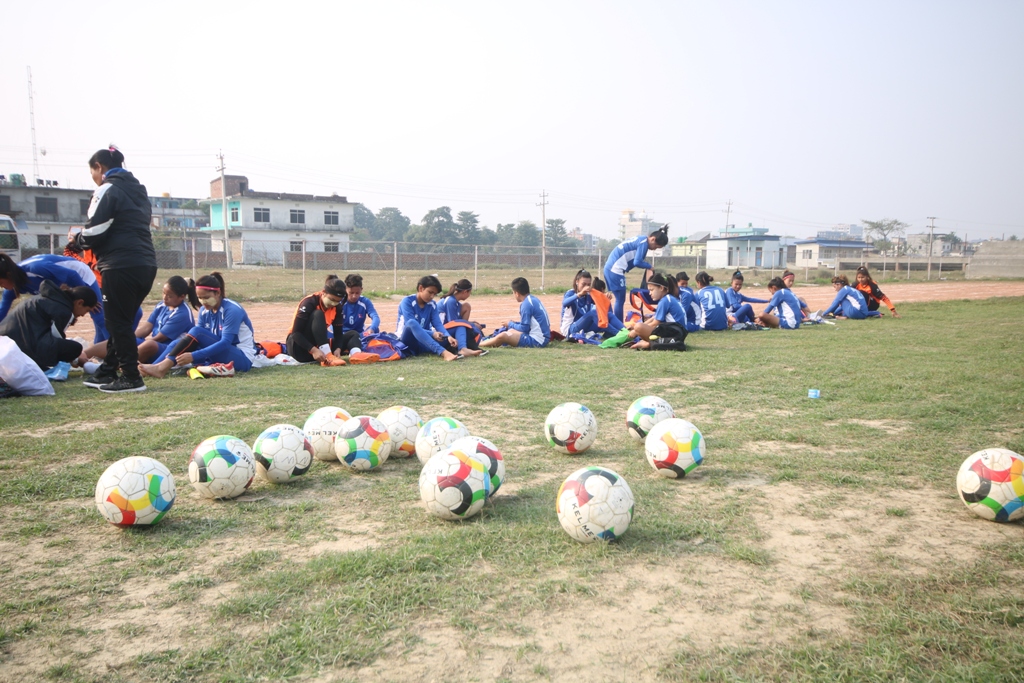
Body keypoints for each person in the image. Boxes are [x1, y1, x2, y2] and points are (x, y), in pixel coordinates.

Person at [71, 146, 158, 393]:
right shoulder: (138, 191)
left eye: (93, 173)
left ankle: (131, 377)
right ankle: (108, 370)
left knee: (117, 323)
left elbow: (95, 230)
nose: (95, 179)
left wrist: (76, 240)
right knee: (122, 321)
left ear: (99, 167)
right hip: (145, 264)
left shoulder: (107, 189)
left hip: (120, 265)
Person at [140, 272, 257, 377]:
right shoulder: (204, 310)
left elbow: (225, 343)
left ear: (218, 293)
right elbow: (196, 339)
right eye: (200, 298)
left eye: (206, 297)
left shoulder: (231, 310)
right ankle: (156, 367)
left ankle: (161, 368)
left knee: (197, 331)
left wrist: (193, 356)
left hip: (242, 357)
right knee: (179, 342)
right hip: (222, 352)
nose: (203, 302)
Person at [0, 253, 107, 343]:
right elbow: (2, 311)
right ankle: (102, 350)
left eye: (0, 282)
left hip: (79, 275)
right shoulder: (12, 287)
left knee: (98, 314)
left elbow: (72, 275)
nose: (0, 286)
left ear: (9, 275)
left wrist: (87, 297)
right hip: (63, 283)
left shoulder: (35, 269)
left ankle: (117, 354)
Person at [0, 281, 96, 372]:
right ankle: (39, 365)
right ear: (79, 302)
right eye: (87, 310)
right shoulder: (64, 310)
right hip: (20, 349)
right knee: (74, 348)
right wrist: (75, 358)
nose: (83, 315)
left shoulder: (47, 299)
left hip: (6, 343)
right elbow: (55, 340)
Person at [602, 226, 670, 322]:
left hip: (611, 268)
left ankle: (614, 324)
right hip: (615, 269)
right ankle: (618, 327)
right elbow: (637, 262)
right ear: (653, 239)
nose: (654, 249)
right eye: (656, 246)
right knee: (620, 300)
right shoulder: (644, 244)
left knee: (617, 299)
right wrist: (649, 266)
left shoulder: (641, 238)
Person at [284, 275, 351, 367]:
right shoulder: (309, 302)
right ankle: (327, 355)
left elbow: (338, 333)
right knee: (318, 314)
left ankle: (354, 355)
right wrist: (313, 350)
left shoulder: (337, 307)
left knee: (353, 334)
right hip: (298, 347)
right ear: (323, 292)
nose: (333, 304)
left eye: (337, 301)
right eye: (331, 299)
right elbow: (296, 333)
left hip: (318, 350)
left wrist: (338, 349)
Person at [394, 275, 461, 361]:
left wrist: (448, 336)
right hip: (407, 342)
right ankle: (443, 352)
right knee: (412, 323)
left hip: (423, 342)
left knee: (459, 326)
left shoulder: (432, 305)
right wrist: (432, 333)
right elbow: (410, 325)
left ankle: (463, 349)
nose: (432, 296)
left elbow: (438, 324)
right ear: (421, 288)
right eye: (430, 292)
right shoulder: (407, 301)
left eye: (434, 294)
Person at [480, 277, 551, 349]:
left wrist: (510, 324)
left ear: (517, 293)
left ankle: (479, 345)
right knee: (511, 331)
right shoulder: (533, 299)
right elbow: (528, 325)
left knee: (503, 336)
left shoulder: (526, 304)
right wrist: (514, 324)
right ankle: (486, 341)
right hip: (543, 338)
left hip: (538, 341)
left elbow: (524, 328)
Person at [626, 272, 687, 350]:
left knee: (639, 327)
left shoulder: (665, 301)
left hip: (675, 333)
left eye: (652, 290)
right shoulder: (669, 298)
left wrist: (635, 331)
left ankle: (650, 343)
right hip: (678, 333)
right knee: (638, 326)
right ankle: (651, 342)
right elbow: (654, 318)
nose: (650, 293)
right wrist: (635, 327)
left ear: (661, 288)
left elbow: (656, 323)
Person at [337, 274, 384, 361]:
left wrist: (372, 329)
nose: (354, 296)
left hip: (360, 335)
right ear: (345, 289)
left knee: (375, 330)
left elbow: (375, 317)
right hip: (342, 335)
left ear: (361, 290)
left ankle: (352, 350)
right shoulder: (339, 302)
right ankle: (355, 349)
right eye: (351, 293)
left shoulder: (365, 302)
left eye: (357, 293)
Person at [438, 279, 484, 357]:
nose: (469, 295)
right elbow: (453, 323)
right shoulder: (450, 301)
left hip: (447, 327)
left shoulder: (456, 302)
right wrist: (471, 325)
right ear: (465, 292)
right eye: (470, 292)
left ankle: (466, 346)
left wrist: (472, 324)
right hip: (440, 332)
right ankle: (463, 348)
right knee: (463, 326)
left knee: (466, 307)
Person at [560, 269, 595, 337]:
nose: (586, 287)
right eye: (583, 284)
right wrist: (579, 294)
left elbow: (600, 303)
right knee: (592, 314)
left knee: (608, 315)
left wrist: (605, 297)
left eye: (588, 284)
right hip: (569, 329)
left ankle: (619, 333)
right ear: (577, 282)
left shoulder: (588, 295)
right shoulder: (570, 293)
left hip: (582, 326)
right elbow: (565, 303)